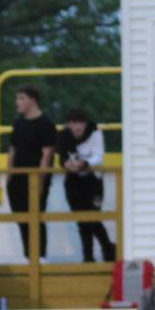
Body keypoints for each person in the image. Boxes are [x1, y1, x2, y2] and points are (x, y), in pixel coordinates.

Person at [4, 85, 56, 261]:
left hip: (35, 180)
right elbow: (12, 150)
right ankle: (28, 256)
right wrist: (8, 177)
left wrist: (40, 182)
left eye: (21, 98)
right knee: (21, 218)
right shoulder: (18, 123)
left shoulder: (46, 124)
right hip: (17, 180)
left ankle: (40, 256)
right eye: (17, 98)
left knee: (36, 218)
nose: (17, 102)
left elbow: (46, 154)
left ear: (32, 100)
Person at [56, 108, 113, 262]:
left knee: (93, 217)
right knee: (81, 220)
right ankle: (88, 256)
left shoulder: (95, 133)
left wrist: (84, 163)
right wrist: (67, 164)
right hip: (74, 182)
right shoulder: (63, 137)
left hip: (93, 180)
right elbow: (61, 157)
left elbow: (98, 156)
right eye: (74, 123)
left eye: (81, 122)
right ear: (68, 124)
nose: (78, 126)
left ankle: (107, 248)